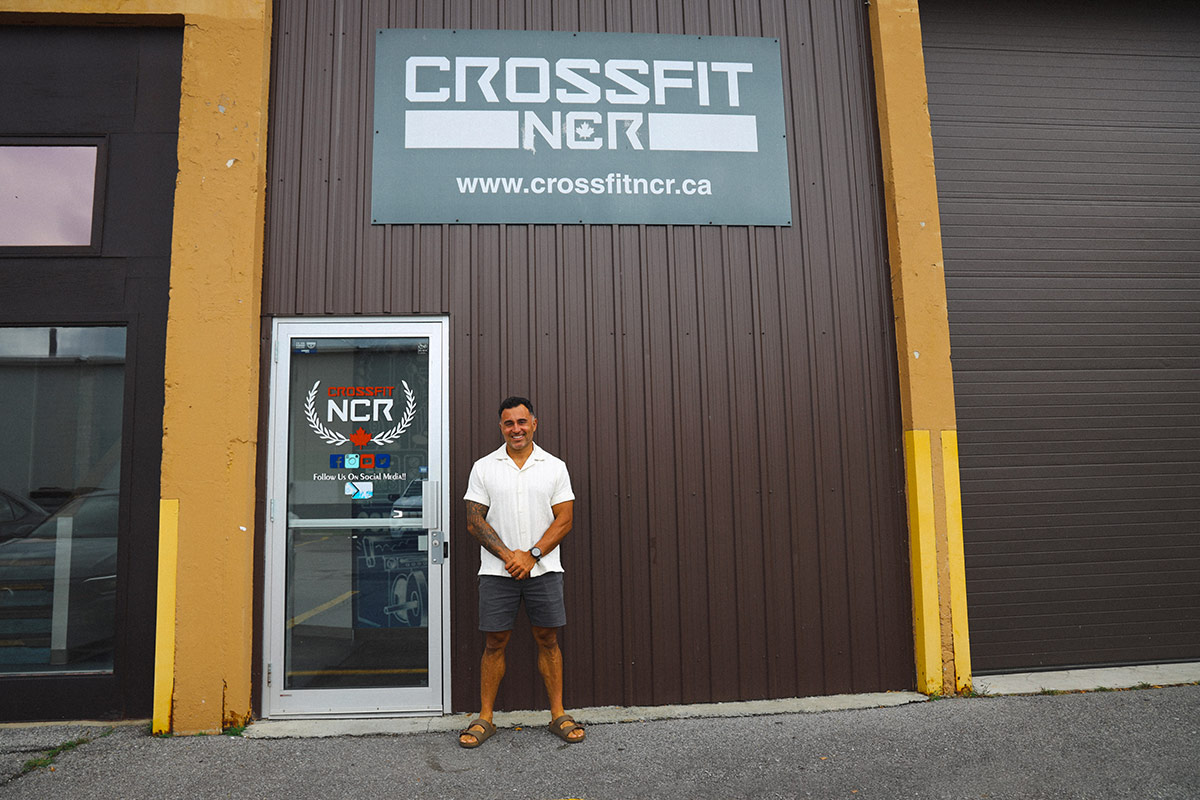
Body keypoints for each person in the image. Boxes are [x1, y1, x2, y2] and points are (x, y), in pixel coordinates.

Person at [457, 396, 586, 748]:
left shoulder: (554, 467)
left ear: (534, 423)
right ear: (501, 427)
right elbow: (473, 520)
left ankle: (558, 713)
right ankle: (485, 718)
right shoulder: (484, 467)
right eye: (509, 423)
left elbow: (565, 518)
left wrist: (531, 555)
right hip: (497, 573)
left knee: (548, 639)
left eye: (522, 422)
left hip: (544, 570)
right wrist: (508, 556)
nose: (516, 428)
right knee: (494, 642)